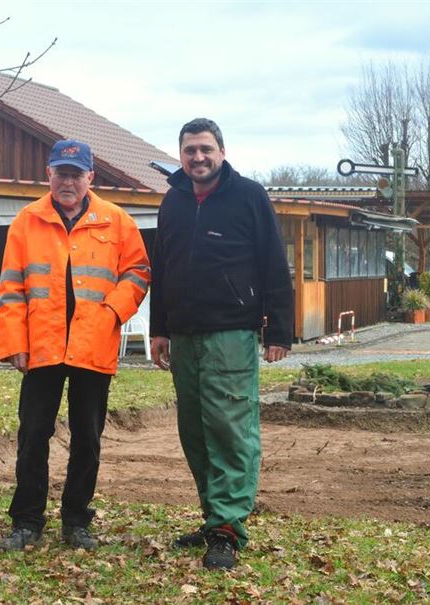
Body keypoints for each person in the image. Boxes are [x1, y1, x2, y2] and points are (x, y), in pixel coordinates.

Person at [149, 118, 293, 570]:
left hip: (231, 333)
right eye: (190, 150)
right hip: (184, 335)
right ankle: (214, 516)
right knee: (195, 433)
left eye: (206, 149)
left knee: (230, 430)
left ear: (222, 152)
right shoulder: (172, 202)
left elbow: (274, 263)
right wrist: (159, 328)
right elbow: (163, 268)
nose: (198, 157)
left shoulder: (249, 196)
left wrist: (279, 332)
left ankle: (228, 530)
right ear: (181, 154)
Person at [0, 139, 150, 551]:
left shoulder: (116, 221)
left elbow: (137, 272)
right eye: (60, 173)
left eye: (75, 174)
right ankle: (26, 521)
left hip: (93, 344)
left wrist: (113, 313)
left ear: (90, 178)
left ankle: (76, 521)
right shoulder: (26, 221)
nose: (67, 181)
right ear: (49, 174)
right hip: (42, 346)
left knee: (88, 438)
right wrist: (15, 343)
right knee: (33, 435)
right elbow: (10, 288)